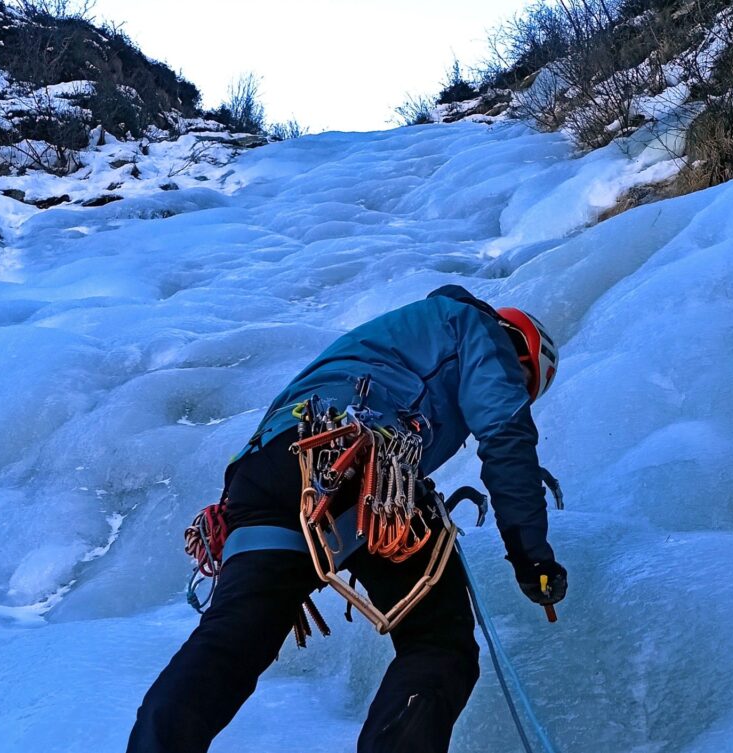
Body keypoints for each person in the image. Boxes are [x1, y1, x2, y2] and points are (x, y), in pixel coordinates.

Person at [127, 284, 567, 753]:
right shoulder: (477, 328)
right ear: (518, 348)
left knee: (234, 639)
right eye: (518, 381)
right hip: (357, 457)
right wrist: (531, 556)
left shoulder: (391, 341)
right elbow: (506, 436)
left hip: (264, 473)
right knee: (438, 641)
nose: (510, 387)